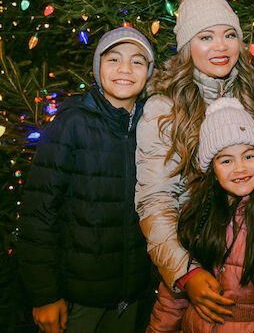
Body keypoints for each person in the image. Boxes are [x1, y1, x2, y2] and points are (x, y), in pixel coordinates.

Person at [135, 0, 254, 325]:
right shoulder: (163, 107)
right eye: (206, 37)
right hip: (193, 254)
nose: (221, 47)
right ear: (187, 46)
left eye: (229, 35)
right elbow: (155, 200)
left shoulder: (249, 92)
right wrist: (185, 273)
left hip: (249, 254)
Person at [17, 27, 155, 333]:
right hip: (77, 300)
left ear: (148, 72)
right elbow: (38, 214)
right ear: (98, 67)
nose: (124, 69)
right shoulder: (72, 123)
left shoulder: (151, 127)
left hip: (128, 296)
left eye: (137, 61)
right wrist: (45, 294)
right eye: (114, 59)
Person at [147, 97, 254, 332]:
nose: (240, 168)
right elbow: (171, 298)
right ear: (212, 171)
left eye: (249, 156)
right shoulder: (196, 216)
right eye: (226, 160)